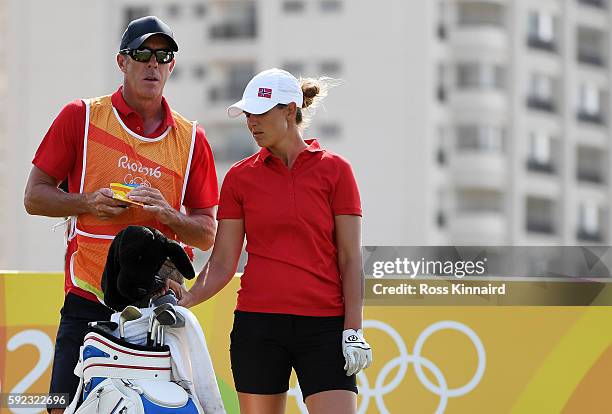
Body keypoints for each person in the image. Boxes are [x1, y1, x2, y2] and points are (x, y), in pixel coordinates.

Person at [23, 16, 219, 413]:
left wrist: (167, 214)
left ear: (172, 66)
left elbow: (206, 233)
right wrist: (88, 203)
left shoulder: (192, 137)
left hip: (155, 309)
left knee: (158, 408)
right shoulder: (81, 116)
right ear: (122, 62)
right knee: (60, 407)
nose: (153, 64)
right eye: (142, 53)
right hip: (86, 299)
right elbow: (34, 197)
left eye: (163, 55)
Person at [172, 68, 372, 414]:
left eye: (260, 112)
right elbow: (222, 263)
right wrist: (187, 299)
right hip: (258, 326)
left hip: (324, 327)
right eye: (248, 114)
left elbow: (350, 258)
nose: (251, 122)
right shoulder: (238, 178)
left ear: (290, 111)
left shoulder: (337, 171)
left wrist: (353, 330)